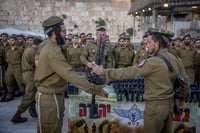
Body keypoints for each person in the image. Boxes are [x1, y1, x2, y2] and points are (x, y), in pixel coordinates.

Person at [92, 29, 190, 133]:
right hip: (169, 105)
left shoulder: (153, 62)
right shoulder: (175, 58)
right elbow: (185, 81)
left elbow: (129, 72)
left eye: (149, 42)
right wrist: (183, 99)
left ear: (157, 43)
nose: (147, 45)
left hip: (155, 107)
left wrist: (103, 72)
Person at [34, 16, 107, 133]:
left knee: (55, 127)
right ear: (55, 32)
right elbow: (69, 75)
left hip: (54, 94)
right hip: (50, 97)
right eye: (63, 31)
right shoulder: (53, 51)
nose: (65, 34)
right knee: (50, 129)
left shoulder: (52, 45)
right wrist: (95, 89)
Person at [11, 37, 42, 123]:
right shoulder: (33, 52)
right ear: (39, 44)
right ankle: (17, 115)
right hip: (31, 75)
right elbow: (37, 65)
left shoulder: (28, 50)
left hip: (26, 74)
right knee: (29, 96)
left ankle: (32, 109)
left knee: (31, 94)